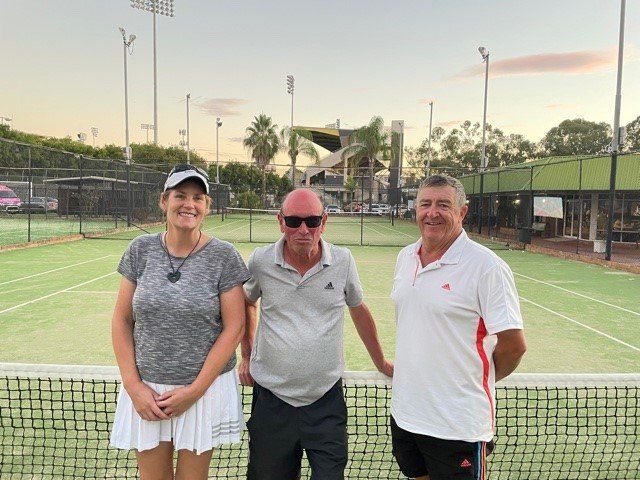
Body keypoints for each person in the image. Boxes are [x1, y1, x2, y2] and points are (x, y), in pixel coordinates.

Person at [239, 188, 394, 480]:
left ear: (324, 222)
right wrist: (246, 355)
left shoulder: (343, 261)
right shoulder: (260, 261)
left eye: (311, 221)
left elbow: (358, 310)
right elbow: (246, 302)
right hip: (272, 402)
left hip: (326, 403)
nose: (303, 230)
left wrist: (381, 362)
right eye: (294, 221)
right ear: (280, 221)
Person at [110, 164, 249, 480]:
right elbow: (122, 319)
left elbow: (234, 327)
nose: (189, 204)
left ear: (207, 206)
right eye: (181, 195)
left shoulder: (224, 256)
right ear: (164, 201)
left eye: (198, 198)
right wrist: (133, 386)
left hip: (202, 391)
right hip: (147, 391)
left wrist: (195, 390)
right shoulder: (140, 250)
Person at [390, 174, 527, 480]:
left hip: (458, 425)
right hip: (406, 415)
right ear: (416, 209)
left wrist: (469, 380)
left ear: (462, 211)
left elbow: (514, 346)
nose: (432, 212)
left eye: (443, 205)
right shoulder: (405, 257)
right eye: (425, 204)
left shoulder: (487, 267)